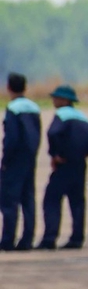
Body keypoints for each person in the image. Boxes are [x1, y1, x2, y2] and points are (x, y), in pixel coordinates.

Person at [40, 85, 88, 249]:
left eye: (56, 98)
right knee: (77, 202)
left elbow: (52, 133)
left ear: (64, 100)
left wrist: (55, 154)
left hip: (64, 164)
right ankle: (77, 238)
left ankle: (49, 238)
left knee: (51, 199)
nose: (53, 101)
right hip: (80, 165)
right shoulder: (82, 117)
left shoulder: (61, 115)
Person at [2, 73, 42, 251]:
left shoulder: (13, 109)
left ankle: (8, 239)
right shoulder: (34, 108)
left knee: (10, 200)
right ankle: (27, 239)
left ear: (8, 88)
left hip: (15, 159)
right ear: (25, 87)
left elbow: (11, 138)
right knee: (28, 198)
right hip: (30, 158)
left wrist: (5, 159)